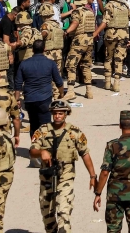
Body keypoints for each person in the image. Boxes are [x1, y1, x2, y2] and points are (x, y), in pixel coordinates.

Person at [30, 99, 97, 233]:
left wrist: (92, 176)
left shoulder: (74, 132)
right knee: (47, 217)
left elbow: (85, 154)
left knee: (63, 213)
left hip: (65, 177)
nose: (57, 116)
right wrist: (41, 152)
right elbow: (32, 151)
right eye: (55, 113)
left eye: (61, 113)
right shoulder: (43, 131)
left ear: (66, 114)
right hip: (46, 178)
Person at [15, 38, 65, 138]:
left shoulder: (24, 64)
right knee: (46, 126)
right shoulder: (50, 63)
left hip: (29, 99)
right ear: (44, 49)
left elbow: (18, 84)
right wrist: (61, 94)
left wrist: (17, 100)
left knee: (33, 125)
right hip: (45, 99)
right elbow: (59, 82)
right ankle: (45, 149)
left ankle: (35, 149)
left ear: (32, 50)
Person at [99, 0, 130, 92]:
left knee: (108, 57)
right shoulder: (124, 4)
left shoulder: (109, 5)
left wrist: (96, 32)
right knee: (119, 59)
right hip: (124, 35)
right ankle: (116, 83)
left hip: (111, 34)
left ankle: (107, 82)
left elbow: (105, 20)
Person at [64, 0, 97, 99]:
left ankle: (70, 91)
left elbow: (75, 23)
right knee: (86, 65)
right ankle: (89, 91)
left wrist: (67, 32)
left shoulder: (76, 12)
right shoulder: (90, 12)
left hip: (79, 40)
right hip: (89, 40)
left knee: (71, 64)